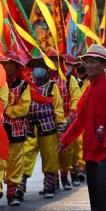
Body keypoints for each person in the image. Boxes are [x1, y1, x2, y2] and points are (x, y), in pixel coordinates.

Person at [58, 45, 106, 211]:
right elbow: (81, 119)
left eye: (93, 61)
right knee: (94, 186)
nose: (88, 65)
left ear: (104, 65)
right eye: (86, 61)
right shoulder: (88, 89)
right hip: (91, 146)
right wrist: (65, 140)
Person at [21, 56, 65, 199]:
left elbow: (58, 108)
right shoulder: (26, 85)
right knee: (26, 156)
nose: (38, 69)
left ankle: (48, 186)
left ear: (46, 70)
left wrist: (60, 128)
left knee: (50, 156)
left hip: (48, 125)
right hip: (30, 125)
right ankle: (20, 188)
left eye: (42, 66)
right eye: (36, 66)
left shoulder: (52, 86)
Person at [0, 52, 31, 206]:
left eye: (12, 64)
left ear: (17, 67)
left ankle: (11, 194)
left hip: (16, 129)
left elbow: (23, 108)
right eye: (6, 64)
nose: (8, 67)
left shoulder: (24, 86)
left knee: (15, 162)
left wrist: (5, 110)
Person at [49, 53, 81, 190]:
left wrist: (70, 117)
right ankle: (53, 179)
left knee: (67, 150)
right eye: (49, 60)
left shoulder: (69, 79)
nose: (53, 63)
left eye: (55, 60)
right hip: (49, 121)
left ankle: (65, 175)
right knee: (50, 151)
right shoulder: (43, 80)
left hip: (67, 120)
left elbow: (76, 99)